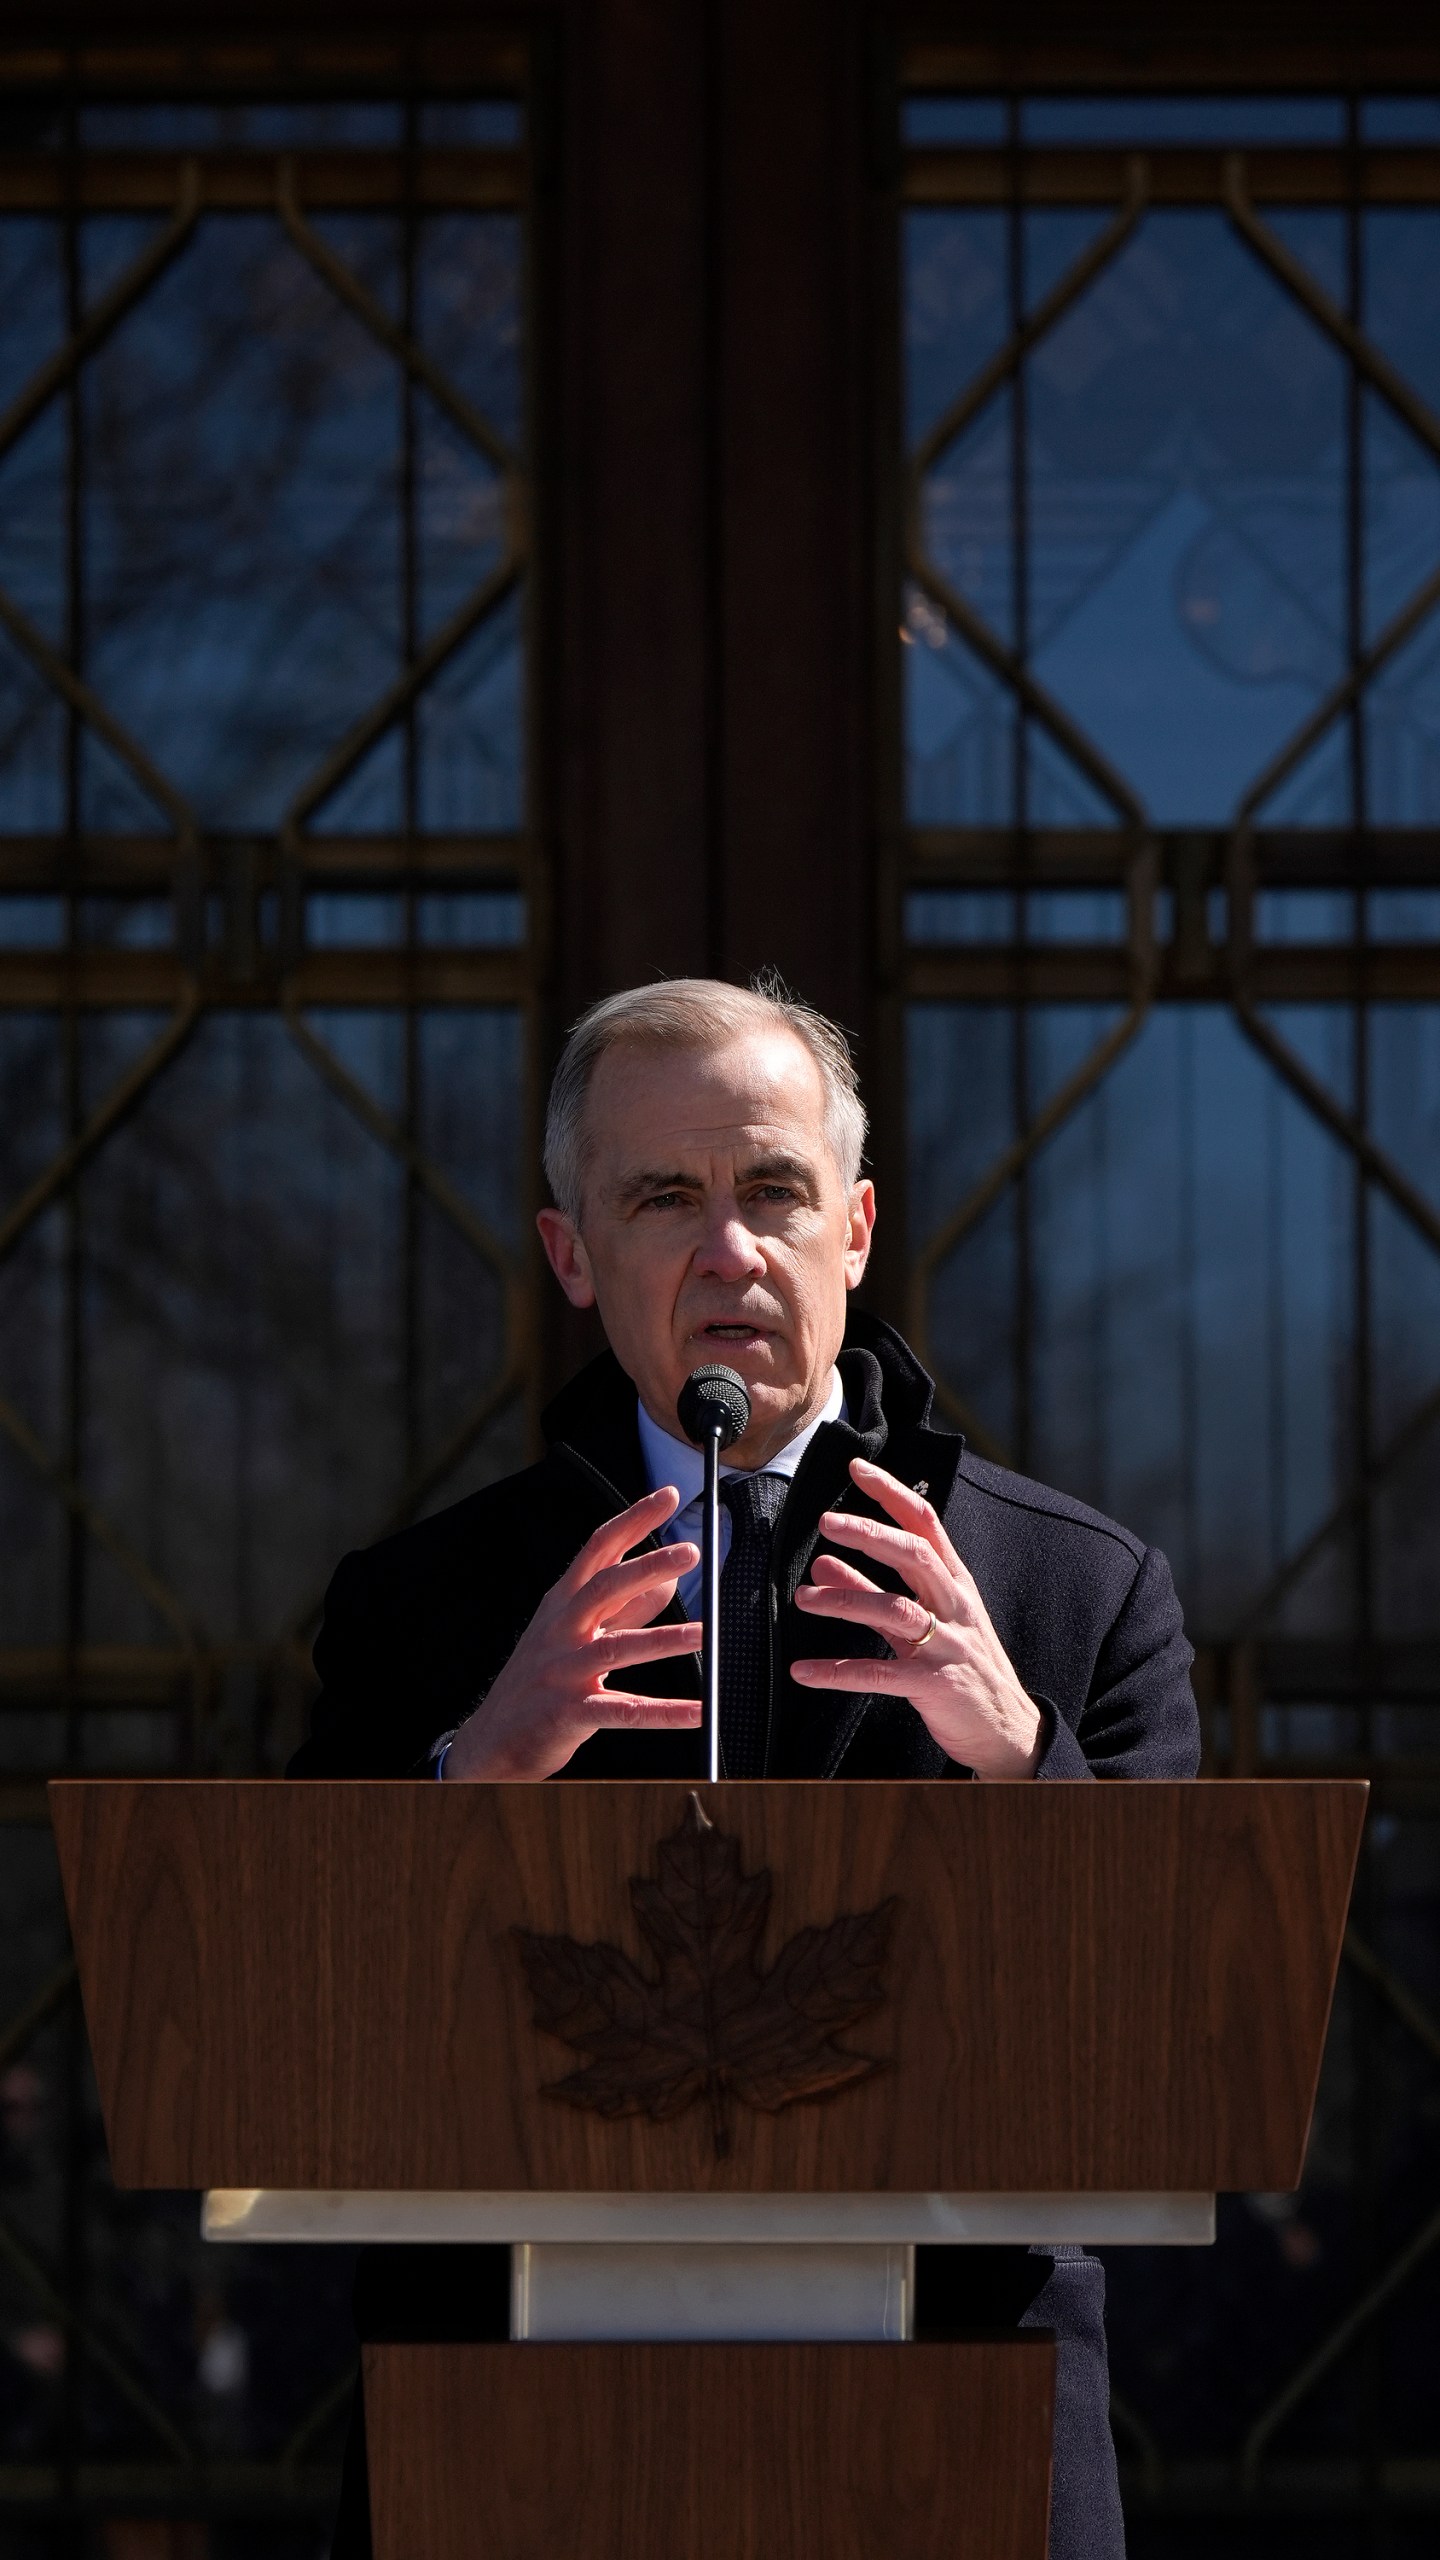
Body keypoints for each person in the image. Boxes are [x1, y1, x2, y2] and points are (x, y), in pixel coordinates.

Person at [293, 973, 1199, 2560]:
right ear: (574, 1256)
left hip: (959, 2433)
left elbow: (1184, 2043)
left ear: (853, 1232)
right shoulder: (422, 1611)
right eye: (664, 1198)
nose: (731, 1251)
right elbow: (288, 2048)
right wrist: (472, 1776)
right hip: (520, 2440)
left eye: (773, 1191)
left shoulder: (1071, 1593)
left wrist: (1022, 1760)